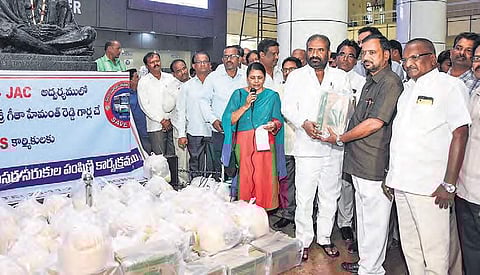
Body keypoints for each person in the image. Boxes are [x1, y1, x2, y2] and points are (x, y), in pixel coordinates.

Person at [386, 38, 470, 275]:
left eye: (415, 57)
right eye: (405, 59)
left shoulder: (449, 86)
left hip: (430, 187)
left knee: (435, 252)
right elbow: (401, 137)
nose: (408, 63)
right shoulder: (407, 90)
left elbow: (460, 134)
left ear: (432, 59)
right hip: (402, 183)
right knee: (411, 247)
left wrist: (449, 183)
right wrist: (391, 176)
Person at [321, 34, 403, 274]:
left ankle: (373, 269)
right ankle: (367, 263)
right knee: (365, 219)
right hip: (359, 161)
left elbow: (375, 123)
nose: (366, 57)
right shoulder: (371, 80)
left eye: (372, 53)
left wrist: (339, 138)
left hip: (374, 163)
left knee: (375, 221)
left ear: (386, 55)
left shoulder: (390, 83)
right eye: (364, 53)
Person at [282, 34, 351, 261]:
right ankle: (302, 240)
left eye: (320, 50)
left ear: (328, 53)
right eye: (311, 49)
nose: (314, 54)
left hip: (333, 147)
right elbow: (287, 107)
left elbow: (346, 106)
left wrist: (338, 129)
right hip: (307, 145)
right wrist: (304, 123)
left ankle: (324, 237)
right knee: (304, 196)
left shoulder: (341, 76)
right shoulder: (296, 77)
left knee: (330, 195)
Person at [221, 62, 286, 210]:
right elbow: (228, 119)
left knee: (264, 176)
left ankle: (263, 211)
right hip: (244, 142)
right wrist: (245, 105)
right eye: (252, 78)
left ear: (265, 78)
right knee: (246, 175)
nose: (256, 81)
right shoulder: (238, 94)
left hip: (265, 142)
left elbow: (278, 120)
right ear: (247, 78)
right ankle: (246, 210)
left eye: (260, 78)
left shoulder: (272, 96)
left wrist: (274, 125)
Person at [334, 38, 366, 254]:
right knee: (329, 182)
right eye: (342, 54)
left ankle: (345, 223)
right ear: (336, 57)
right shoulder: (327, 77)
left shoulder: (362, 82)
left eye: (351, 55)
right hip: (328, 138)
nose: (346, 59)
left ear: (356, 60)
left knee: (347, 183)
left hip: (352, 139)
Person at [200, 46, 247, 180]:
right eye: (226, 57)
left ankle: (240, 196)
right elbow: (203, 101)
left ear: (239, 59)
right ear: (222, 59)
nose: (229, 60)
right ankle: (222, 197)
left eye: (232, 56)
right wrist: (213, 120)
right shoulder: (213, 78)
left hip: (242, 130)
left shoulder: (246, 77)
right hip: (220, 130)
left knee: (242, 164)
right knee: (222, 166)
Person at [456, 41, 480, 275]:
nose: (478, 63)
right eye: (477, 58)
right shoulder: (472, 92)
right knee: (471, 248)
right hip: (465, 188)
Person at [0, 0, 96, 55]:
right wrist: (31, 31)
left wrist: (58, 32)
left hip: (55, 39)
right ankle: (54, 51)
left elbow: (72, 28)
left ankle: (41, 47)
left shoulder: (60, 1)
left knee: (89, 32)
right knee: (8, 33)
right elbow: (4, 26)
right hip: (21, 36)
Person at [272, 56, 302, 230]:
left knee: (305, 183)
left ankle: (306, 217)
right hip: (285, 143)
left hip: (306, 143)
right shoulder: (278, 90)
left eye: (292, 69)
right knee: (287, 181)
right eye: (285, 70)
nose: (288, 73)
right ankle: (288, 214)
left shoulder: (307, 89)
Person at [176, 52, 213, 179]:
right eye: (199, 62)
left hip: (214, 131)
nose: (202, 65)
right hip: (194, 132)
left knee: (213, 166)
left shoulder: (216, 84)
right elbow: (181, 111)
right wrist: (181, 134)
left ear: (209, 65)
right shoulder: (186, 87)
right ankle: (195, 192)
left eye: (205, 62)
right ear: (193, 66)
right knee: (195, 165)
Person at [137, 52, 177, 156]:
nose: (156, 64)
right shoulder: (143, 82)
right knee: (159, 159)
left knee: (173, 157)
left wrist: (169, 119)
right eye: (152, 62)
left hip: (172, 123)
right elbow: (144, 106)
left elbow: (176, 98)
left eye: (157, 61)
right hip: (155, 126)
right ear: (147, 66)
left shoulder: (170, 78)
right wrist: (162, 120)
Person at [170, 59, 191, 184]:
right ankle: (183, 184)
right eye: (178, 71)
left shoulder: (196, 83)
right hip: (179, 129)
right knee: (182, 160)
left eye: (184, 68)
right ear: (174, 74)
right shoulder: (171, 88)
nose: (183, 72)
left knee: (193, 159)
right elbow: (166, 107)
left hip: (194, 128)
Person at [128, 68, 152, 154]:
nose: (139, 79)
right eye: (136, 77)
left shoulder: (142, 92)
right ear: (130, 80)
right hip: (135, 134)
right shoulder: (126, 96)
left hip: (148, 130)